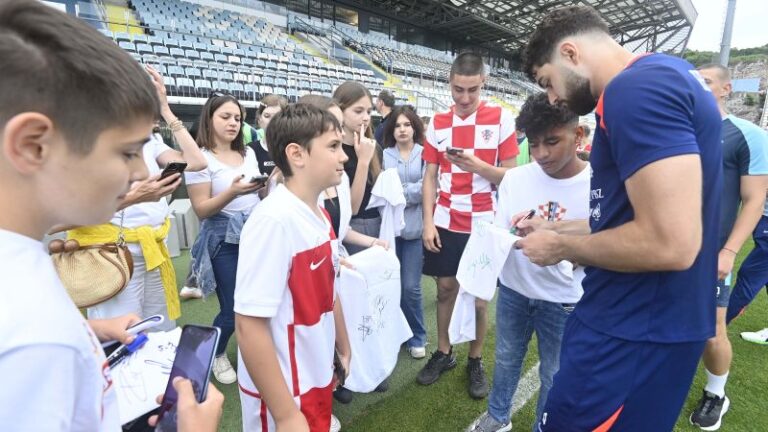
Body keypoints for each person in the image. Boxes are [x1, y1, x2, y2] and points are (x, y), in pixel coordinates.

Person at [0, 0, 222, 430]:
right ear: (32, 145)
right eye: (126, 152)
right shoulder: (35, 334)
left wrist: (91, 334)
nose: (141, 171)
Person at [517, 5, 722, 430]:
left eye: (547, 82)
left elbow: (671, 243)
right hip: (653, 323)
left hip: (631, 329)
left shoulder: (634, 90)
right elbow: (637, 216)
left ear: (570, 53)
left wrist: (561, 246)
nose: (552, 98)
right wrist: (556, 228)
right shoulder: (667, 73)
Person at [469, 93, 589, 432]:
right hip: (514, 290)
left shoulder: (597, 184)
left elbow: (605, 243)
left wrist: (562, 247)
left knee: (553, 372)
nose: (541, 154)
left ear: (578, 136)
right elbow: (499, 228)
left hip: (564, 299)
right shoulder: (517, 178)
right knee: (506, 358)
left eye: (552, 141)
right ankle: (498, 415)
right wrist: (511, 233)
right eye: (533, 144)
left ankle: (544, 424)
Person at [235, 104, 352, 432]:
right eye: (333, 146)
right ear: (297, 154)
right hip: (283, 390)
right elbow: (248, 325)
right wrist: (286, 415)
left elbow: (330, 290)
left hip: (312, 371)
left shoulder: (319, 212)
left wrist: (342, 344)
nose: (343, 156)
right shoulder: (273, 221)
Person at [67, 66, 207, 331]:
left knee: (160, 327)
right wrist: (135, 197)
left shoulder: (149, 140)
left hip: (153, 248)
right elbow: (60, 217)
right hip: (112, 255)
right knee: (124, 333)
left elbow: (197, 162)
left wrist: (166, 109)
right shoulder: (81, 141)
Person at [419, 52, 518, 399]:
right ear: (449, 82)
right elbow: (429, 176)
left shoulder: (501, 118)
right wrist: (428, 221)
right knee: (445, 289)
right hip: (445, 221)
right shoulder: (437, 122)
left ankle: (474, 359)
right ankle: (444, 352)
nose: (463, 98)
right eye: (458, 89)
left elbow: (511, 176)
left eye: (472, 90)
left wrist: (478, 166)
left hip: (484, 224)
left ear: (483, 83)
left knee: (478, 299)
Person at [688, 63, 768, 430]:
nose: (699, 89)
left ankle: (716, 393)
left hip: (712, 254)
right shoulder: (677, 130)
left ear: (726, 88)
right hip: (665, 248)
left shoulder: (747, 134)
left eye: (706, 83)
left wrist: (729, 251)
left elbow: (754, 200)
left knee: (712, 329)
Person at [185, 92, 264, 385]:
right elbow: (201, 210)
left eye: (238, 118)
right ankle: (215, 353)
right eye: (226, 116)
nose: (233, 123)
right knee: (232, 308)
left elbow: (258, 195)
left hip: (256, 236)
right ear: (210, 118)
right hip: (223, 241)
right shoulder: (200, 159)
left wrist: (271, 182)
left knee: (258, 301)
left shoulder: (249, 153)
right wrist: (231, 192)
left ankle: (252, 350)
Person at [382, 105, 428, 359]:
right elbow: (382, 187)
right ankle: (398, 333)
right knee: (392, 287)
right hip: (389, 231)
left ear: (414, 127)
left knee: (411, 287)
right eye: (398, 125)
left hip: (414, 231)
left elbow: (427, 187)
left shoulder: (424, 153)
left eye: (407, 125)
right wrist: (409, 191)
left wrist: (398, 191)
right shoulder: (385, 154)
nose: (402, 129)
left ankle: (418, 335)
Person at [333, 81, 385, 255]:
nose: (365, 117)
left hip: (376, 222)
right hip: (348, 229)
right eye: (358, 111)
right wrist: (363, 161)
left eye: (369, 111)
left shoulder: (373, 147)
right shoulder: (333, 151)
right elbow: (352, 208)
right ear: (340, 111)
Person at [244, 94, 287, 176]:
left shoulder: (294, 147)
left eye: (277, 116)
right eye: (267, 116)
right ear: (259, 119)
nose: (272, 121)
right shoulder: (250, 149)